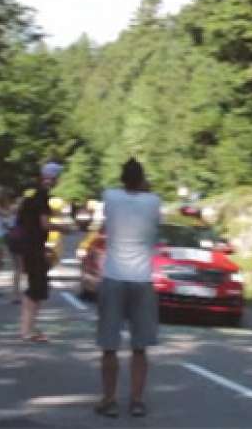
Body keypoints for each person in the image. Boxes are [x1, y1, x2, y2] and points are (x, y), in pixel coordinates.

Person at [94, 158, 161, 419]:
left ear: (122, 179)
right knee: (140, 347)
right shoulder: (153, 202)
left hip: (113, 277)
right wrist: (145, 187)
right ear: (142, 179)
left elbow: (104, 224)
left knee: (109, 346)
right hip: (142, 280)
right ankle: (136, 401)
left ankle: (109, 400)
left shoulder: (110, 197)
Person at [17, 162, 63, 342]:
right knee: (36, 288)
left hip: (28, 246)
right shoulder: (42, 197)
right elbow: (44, 224)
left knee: (36, 287)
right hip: (34, 247)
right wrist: (63, 228)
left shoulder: (31, 195)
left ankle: (29, 328)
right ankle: (27, 330)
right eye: (57, 177)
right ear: (52, 178)